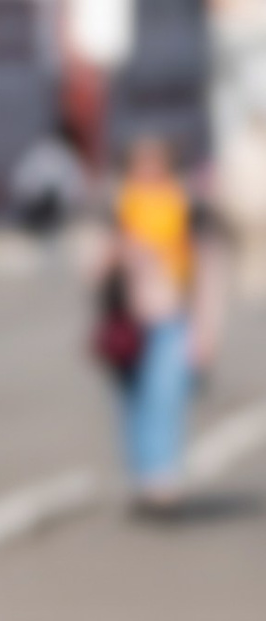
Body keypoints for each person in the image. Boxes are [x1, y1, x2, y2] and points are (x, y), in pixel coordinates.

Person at [97, 134, 201, 514]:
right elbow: (96, 266)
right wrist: (124, 252)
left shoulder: (184, 204)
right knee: (133, 400)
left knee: (167, 396)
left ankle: (163, 478)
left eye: (156, 161)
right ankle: (143, 476)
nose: (149, 169)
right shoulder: (119, 205)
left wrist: (206, 331)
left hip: (171, 314)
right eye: (142, 162)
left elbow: (203, 267)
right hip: (128, 318)